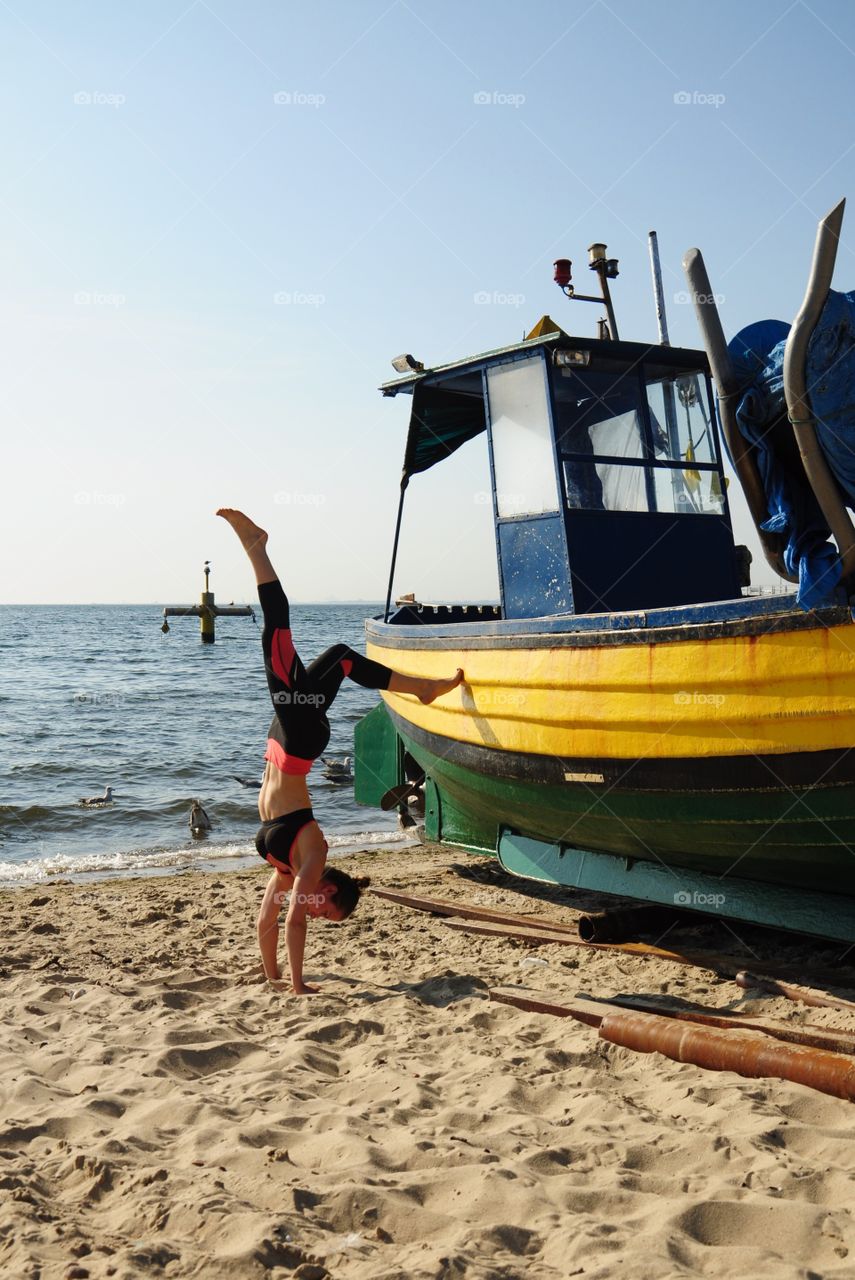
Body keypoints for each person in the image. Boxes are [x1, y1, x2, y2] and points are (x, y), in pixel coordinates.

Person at [217, 509, 464, 995]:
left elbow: (268, 917)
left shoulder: (286, 867)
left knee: (342, 657)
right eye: (327, 909)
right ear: (327, 890)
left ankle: (423, 689)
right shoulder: (312, 856)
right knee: (278, 636)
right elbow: (293, 923)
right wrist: (298, 986)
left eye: (323, 916)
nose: (317, 912)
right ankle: (257, 548)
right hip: (298, 736)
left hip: (287, 735)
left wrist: (273, 978)